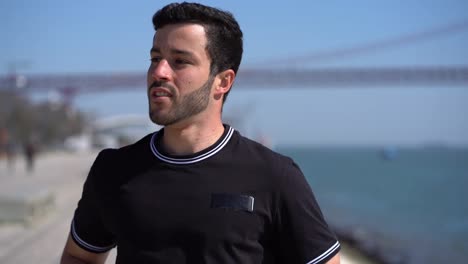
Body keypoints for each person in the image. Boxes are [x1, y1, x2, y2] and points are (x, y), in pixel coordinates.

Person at [60, 2, 341, 263]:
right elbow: (79, 257)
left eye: (179, 61)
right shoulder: (113, 170)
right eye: (155, 57)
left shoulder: (275, 176)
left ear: (223, 81)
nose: (159, 71)